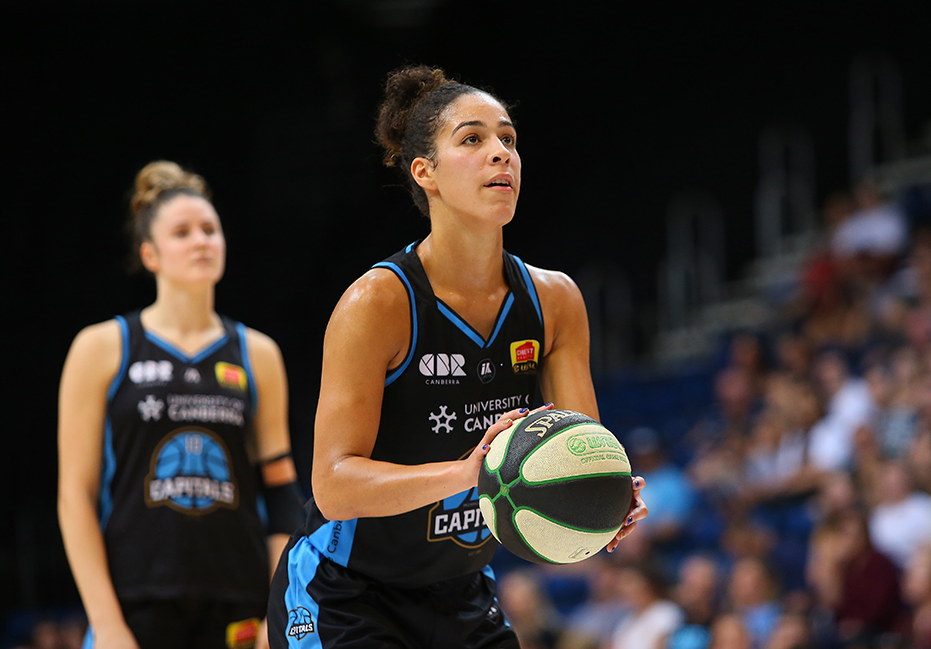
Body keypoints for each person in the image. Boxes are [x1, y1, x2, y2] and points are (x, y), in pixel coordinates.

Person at [266, 65, 647, 648]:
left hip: (463, 591)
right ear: (426, 173)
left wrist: (603, 497)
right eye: (472, 139)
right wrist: (471, 473)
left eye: (508, 139)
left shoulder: (556, 301)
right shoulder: (378, 302)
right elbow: (334, 485)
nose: (500, 154)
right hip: (345, 592)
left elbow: (580, 446)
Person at [58, 161, 301, 649]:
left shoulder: (258, 353)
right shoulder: (102, 347)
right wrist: (105, 623)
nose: (202, 241)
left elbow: (280, 495)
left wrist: (280, 607)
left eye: (210, 230)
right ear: (150, 254)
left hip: (240, 599)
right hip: (134, 603)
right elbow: (75, 498)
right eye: (183, 232)